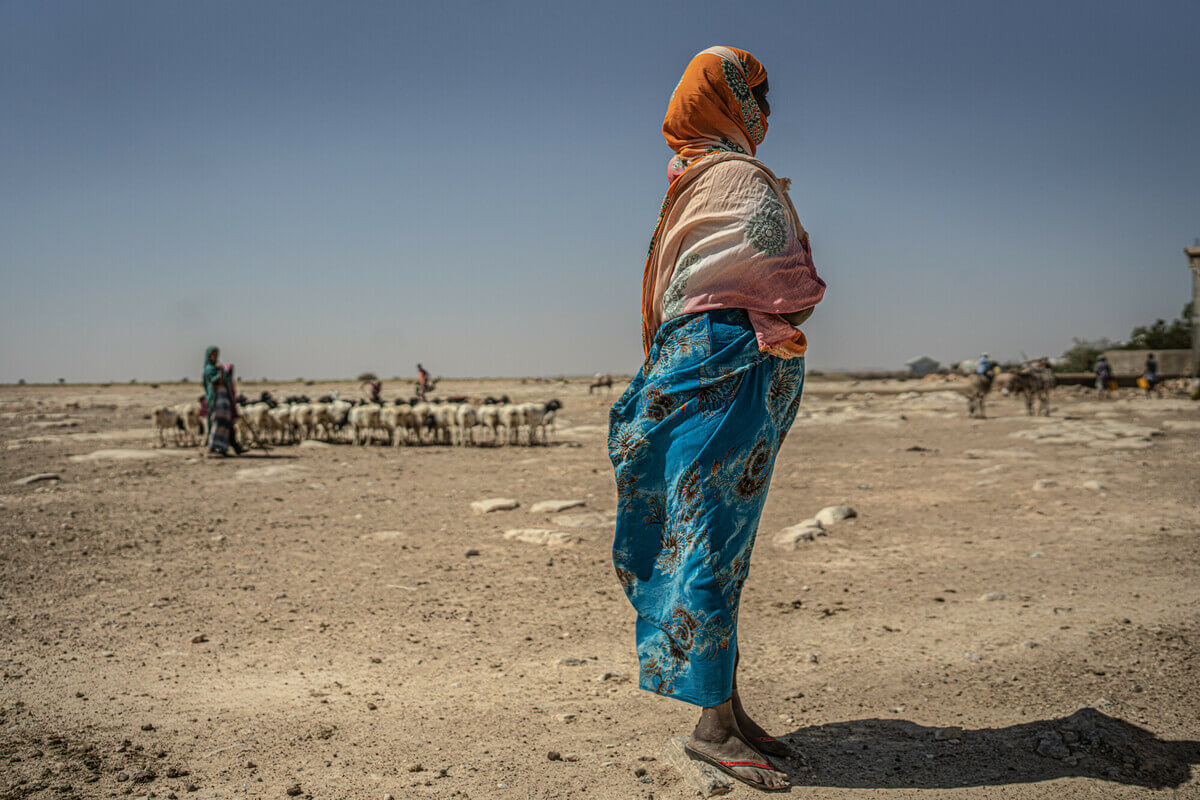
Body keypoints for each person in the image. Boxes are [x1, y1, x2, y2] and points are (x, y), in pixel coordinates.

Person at [608, 46, 825, 792]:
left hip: (715, 370)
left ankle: (727, 710)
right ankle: (711, 726)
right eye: (756, 95)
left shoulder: (691, 178)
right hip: (723, 371)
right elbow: (783, 277)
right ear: (727, 99)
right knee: (707, 543)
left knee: (719, 544)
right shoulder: (734, 176)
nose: (766, 112)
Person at [202, 346, 243, 456]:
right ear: (209, 356)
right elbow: (215, 382)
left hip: (224, 398)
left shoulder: (219, 367)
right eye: (213, 354)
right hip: (216, 399)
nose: (215, 356)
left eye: (216, 354)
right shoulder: (209, 369)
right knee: (217, 422)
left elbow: (226, 381)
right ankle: (212, 447)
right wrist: (220, 371)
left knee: (226, 423)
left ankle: (222, 447)